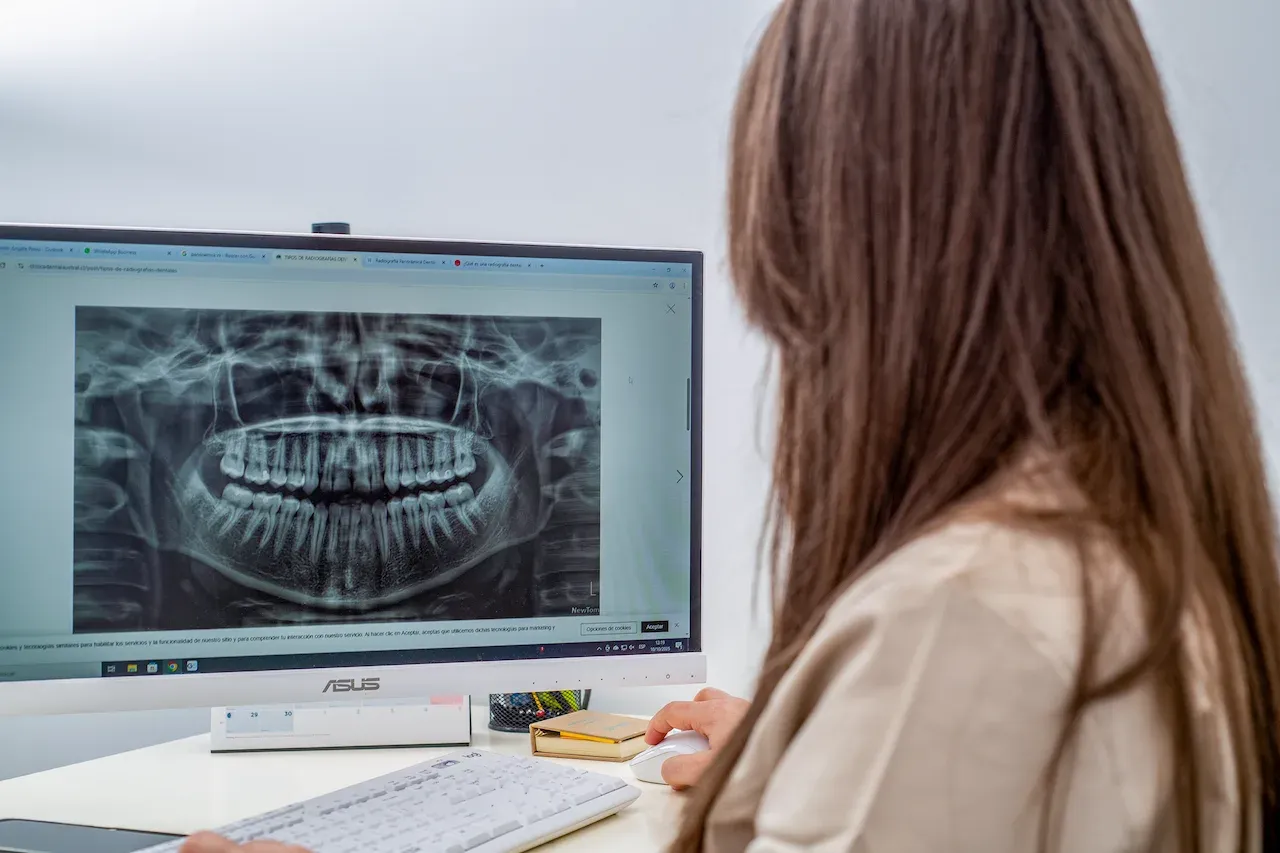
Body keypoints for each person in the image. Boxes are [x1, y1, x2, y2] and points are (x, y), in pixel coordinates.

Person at [182, 0, 1280, 850]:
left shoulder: (968, 617)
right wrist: (819, 756)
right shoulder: (1127, 554)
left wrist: (878, 720)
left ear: (830, 220)